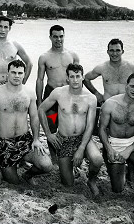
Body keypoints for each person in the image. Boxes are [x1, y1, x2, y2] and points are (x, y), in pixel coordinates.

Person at [38, 63, 104, 196]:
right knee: (68, 184)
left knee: (97, 160)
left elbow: (90, 125)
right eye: (72, 76)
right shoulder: (58, 93)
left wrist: (81, 148)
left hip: (83, 138)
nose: (75, 80)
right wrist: (49, 135)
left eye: (78, 76)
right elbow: (41, 109)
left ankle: (91, 181)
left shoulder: (90, 98)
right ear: (67, 78)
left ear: (82, 78)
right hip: (64, 139)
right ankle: (72, 169)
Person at [0, 60, 52, 184]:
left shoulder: (29, 93)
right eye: (13, 72)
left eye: (20, 73)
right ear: (7, 74)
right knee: (13, 182)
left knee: (46, 165)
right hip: (5, 143)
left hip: (25, 140)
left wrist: (36, 139)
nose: (17, 76)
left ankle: (28, 174)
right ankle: (10, 167)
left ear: (24, 74)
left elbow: (34, 118)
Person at [99, 73, 134, 192]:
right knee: (118, 189)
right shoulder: (111, 104)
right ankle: (124, 170)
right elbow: (102, 129)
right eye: (132, 86)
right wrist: (109, 149)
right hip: (114, 144)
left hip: (133, 143)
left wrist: (129, 149)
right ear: (126, 86)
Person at [36, 25, 79, 162]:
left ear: (64, 36)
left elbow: (78, 78)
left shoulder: (72, 55)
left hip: (69, 95)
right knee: (51, 125)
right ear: (50, 37)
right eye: (55, 36)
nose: (58, 39)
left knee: (71, 126)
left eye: (61, 36)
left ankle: (70, 155)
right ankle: (54, 158)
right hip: (52, 95)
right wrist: (39, 100)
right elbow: (40, 79)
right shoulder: (44, 57)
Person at [84, 38, 134, 106]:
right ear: (108, 52)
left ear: (122, 51)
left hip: (126, 106)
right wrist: (97, 94)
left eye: (118, 50)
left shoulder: (131, 68)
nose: (114, 54)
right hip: (108, 105)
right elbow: (85, 78)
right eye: (111, 50)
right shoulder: (102, 68)